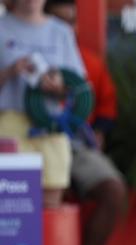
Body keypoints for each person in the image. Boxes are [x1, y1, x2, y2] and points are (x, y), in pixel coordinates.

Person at [44, 0, 127, 245]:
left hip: (76, 144)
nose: (66, 28)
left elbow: (106, 105)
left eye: (72, 21)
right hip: (34, 141)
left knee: (113, 190)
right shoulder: (27, 58)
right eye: (59, 21)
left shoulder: (89, 62)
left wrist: (100, 133)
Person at [0, 0, 84, 208]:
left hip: (50, 124)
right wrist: (11, 71)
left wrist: (59, 85)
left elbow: (78, 85)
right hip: (11, 121)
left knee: (50, 203)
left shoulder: (61, 31)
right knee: (12, 203)